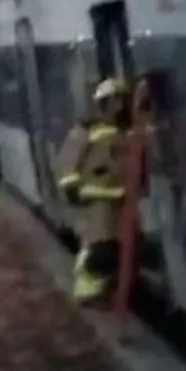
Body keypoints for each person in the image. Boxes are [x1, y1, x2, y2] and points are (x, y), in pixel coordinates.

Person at [54, 77, 133, 306]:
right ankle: (88, 293)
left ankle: (100, 288)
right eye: (115, 100)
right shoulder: (86, 129)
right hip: (95, 200)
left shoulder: (121, 130)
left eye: (122, 100)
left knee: (110, 248)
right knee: (100, 249)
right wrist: (71, 187)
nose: (119, 105)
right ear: (104, 103)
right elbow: (67, 162)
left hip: (117, 199)